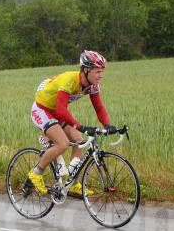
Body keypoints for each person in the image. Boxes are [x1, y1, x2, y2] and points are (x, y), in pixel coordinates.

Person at [27, 49, 117, 196]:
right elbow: (62, 111)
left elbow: (99, 108)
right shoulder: (69, 80)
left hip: (57, 111)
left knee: (79, 141)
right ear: (86, 70)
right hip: (42, 109)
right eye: (98, 72)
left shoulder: (93, 85)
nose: (101, 76)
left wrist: (107, 125)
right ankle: (36, 173)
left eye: (102, 72)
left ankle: (73, 183)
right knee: (63, 143)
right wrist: (80, 126)